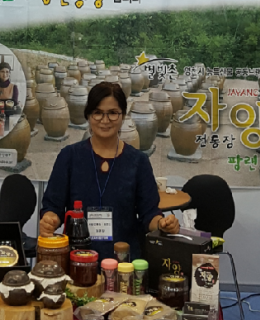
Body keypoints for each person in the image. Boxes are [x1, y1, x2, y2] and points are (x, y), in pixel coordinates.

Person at [39, 82, 178, 258]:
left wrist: (162, 224)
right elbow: (53, 205)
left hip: (124, 260)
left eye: (112, 113)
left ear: (123, 115)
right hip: (78, 258)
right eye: (97, 112)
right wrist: (49, 219)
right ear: (88, 115)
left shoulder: (138, 161)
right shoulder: (70, 157)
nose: (105, 120)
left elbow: (149, 214)